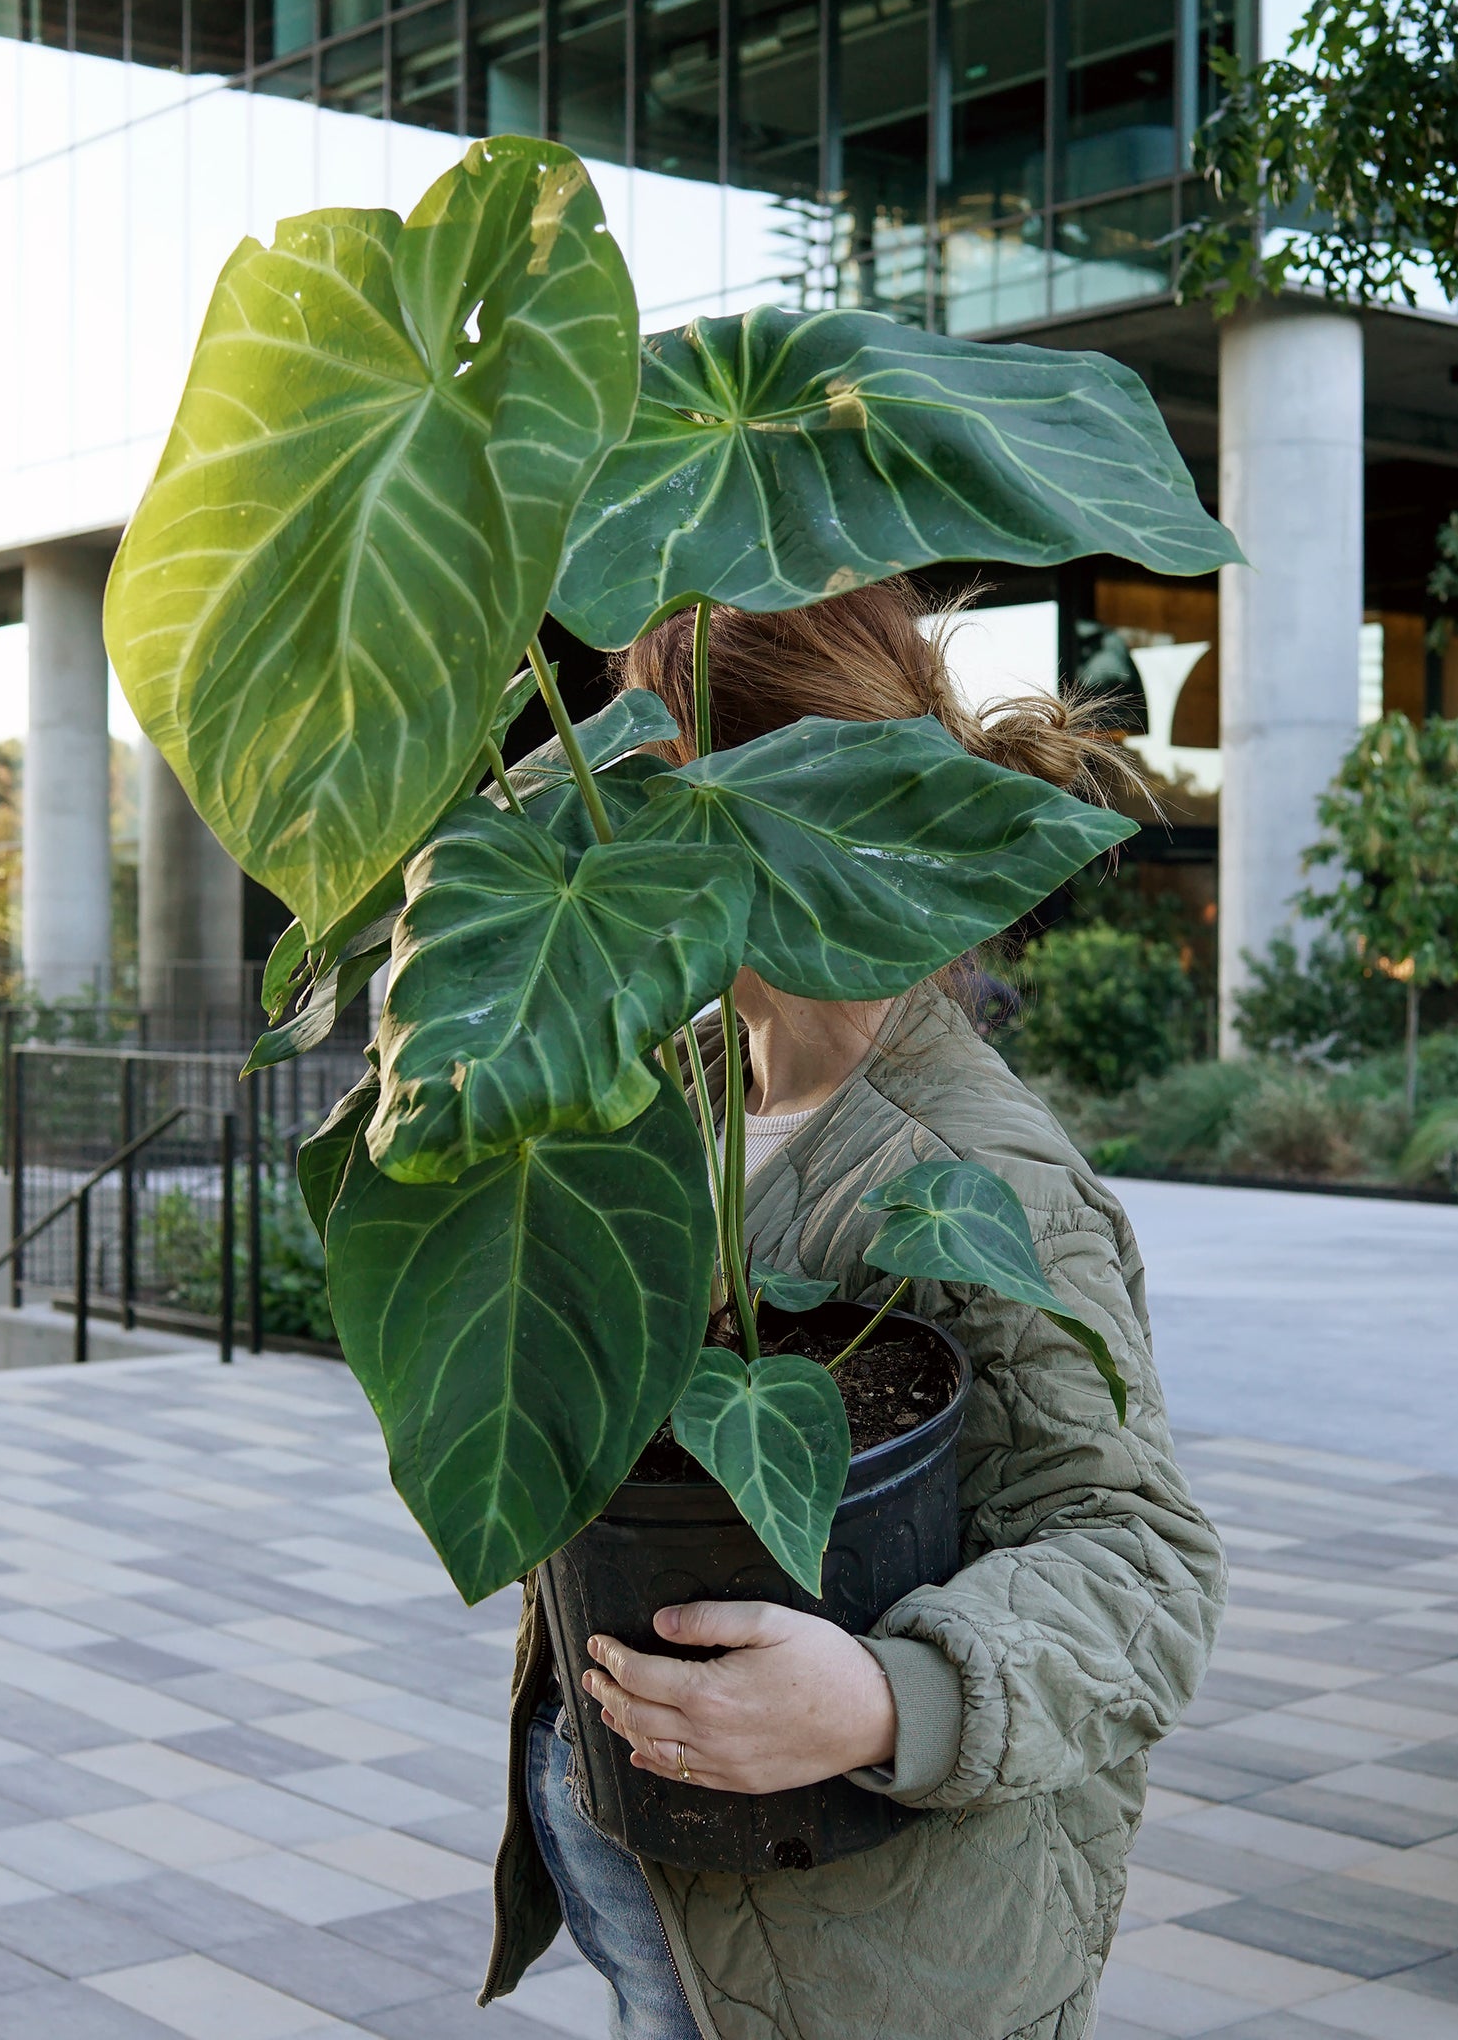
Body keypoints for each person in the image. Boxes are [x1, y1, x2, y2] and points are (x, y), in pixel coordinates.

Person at [482, 581, 1225, 2040]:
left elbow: (1145, 1566)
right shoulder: (684, 1091)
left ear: (794, 804)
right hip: (694, 1931)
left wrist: (892, 1698)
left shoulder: (971, 1175)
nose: (606, 809)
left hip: (873, 1976)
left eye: (646, 767)